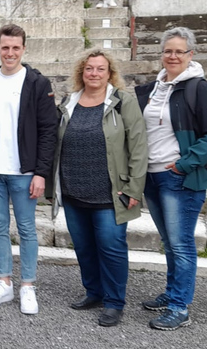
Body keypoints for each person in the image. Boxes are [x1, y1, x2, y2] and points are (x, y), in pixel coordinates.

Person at [135, 27, 207, 331]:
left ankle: (179, 307)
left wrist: (183, 165)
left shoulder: (200, 89)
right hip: (151, 176)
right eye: (168, 51)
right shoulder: (151, 88)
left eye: (179, 51)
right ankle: (173, 293)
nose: (172, 56)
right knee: (169, 242)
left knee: (181, 243)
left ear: (191, 55)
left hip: (179, 179)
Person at [48, 50, 147, 327]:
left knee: (111, 247)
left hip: (111, 192)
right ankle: (94, 292)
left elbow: (139, 147)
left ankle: (115, 302)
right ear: (81, 72)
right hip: (73, 189)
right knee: (84, 247)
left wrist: (133, 189)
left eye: (100, 69)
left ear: (109, 73)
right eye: (89, 69)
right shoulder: (70, 101)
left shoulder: (122, 101)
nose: (94, 74)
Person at [0, 24, 58, 315]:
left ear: (23, 49)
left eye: (15, 48)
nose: (10, 53)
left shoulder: (37, 83)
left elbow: (49, 130)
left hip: (24, 172)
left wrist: (41, 173)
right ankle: (4, 282)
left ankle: (28, 286)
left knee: (26, 229)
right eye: (5, 47)